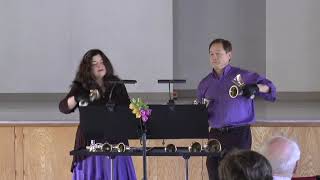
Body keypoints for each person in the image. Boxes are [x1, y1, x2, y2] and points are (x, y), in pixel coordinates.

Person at [197, 38, 276, 180]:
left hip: (239, 134)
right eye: (211, 54)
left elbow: (271, 89)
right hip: (216, 135)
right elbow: (199, 111)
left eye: (218, 53)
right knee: (213, 171)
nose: (214, 57)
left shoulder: (243, 76)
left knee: (238, 173)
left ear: (229, 55)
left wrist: (256, 87)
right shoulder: (205, 83)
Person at [59, 49, 137, 180]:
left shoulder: (117, 85)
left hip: (116, 141)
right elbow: (63, 107)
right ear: (87, 68)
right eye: (94, 63)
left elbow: (127, 110)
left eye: (101, 62)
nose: (99, 66)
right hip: (90, 141)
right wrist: (78, 96)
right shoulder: (82, 86)